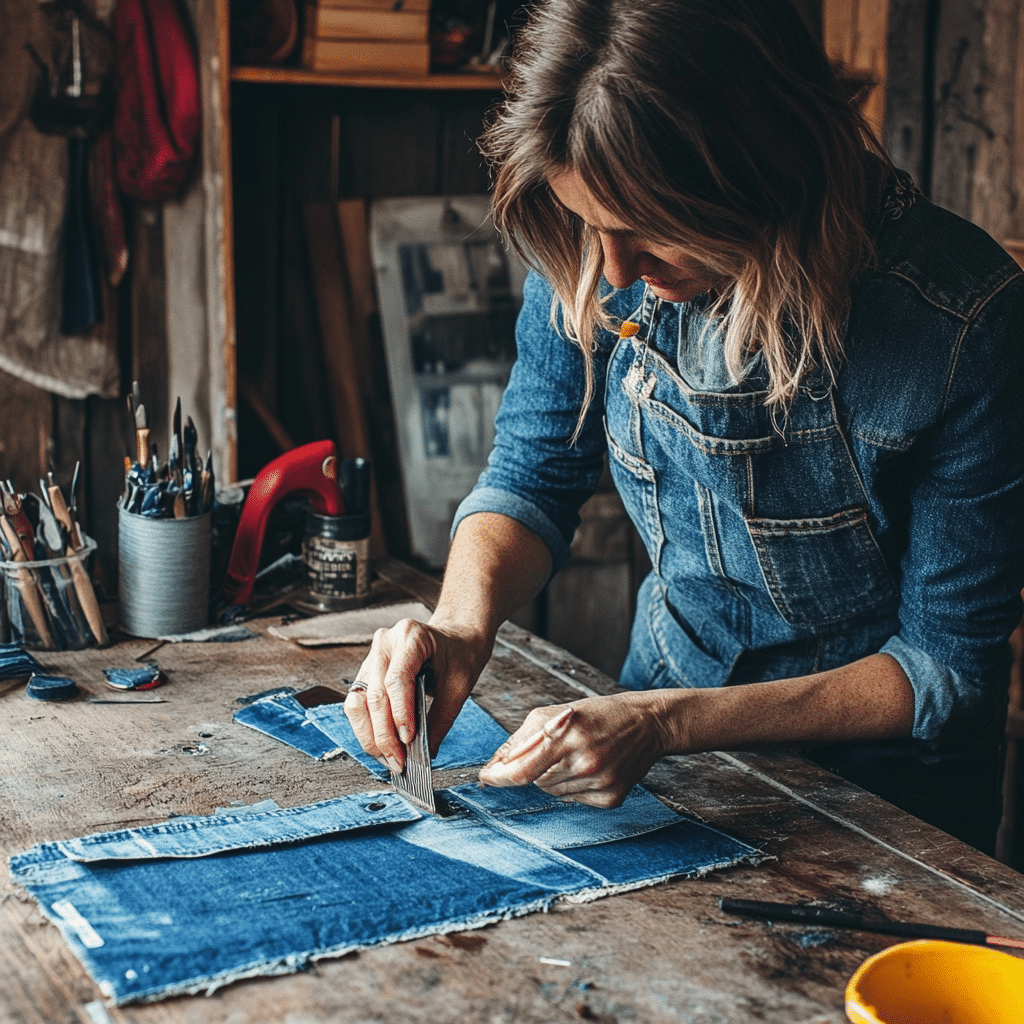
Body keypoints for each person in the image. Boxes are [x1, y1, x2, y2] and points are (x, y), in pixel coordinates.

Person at [345, 0, 1024, 854]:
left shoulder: (966, 320)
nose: (615, 270)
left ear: (761, 174)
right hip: (653, 723)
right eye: (595, 227)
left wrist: (668, 723)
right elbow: (530, 477)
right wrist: (457, 624)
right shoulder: (594, 249)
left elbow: (944, 672)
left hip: (885, 797)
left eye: (650, 232)